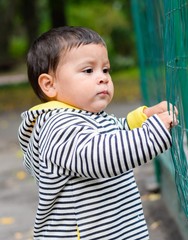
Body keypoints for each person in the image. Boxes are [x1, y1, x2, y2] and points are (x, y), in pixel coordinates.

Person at [18, 26, 177, 239]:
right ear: (49, 85)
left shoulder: (87, 117)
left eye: (105, 69)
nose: (103, 78)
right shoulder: (57, 127)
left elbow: (114, 132)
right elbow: (101, 155)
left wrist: (144, 118)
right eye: (88, 71)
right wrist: (152, 133)